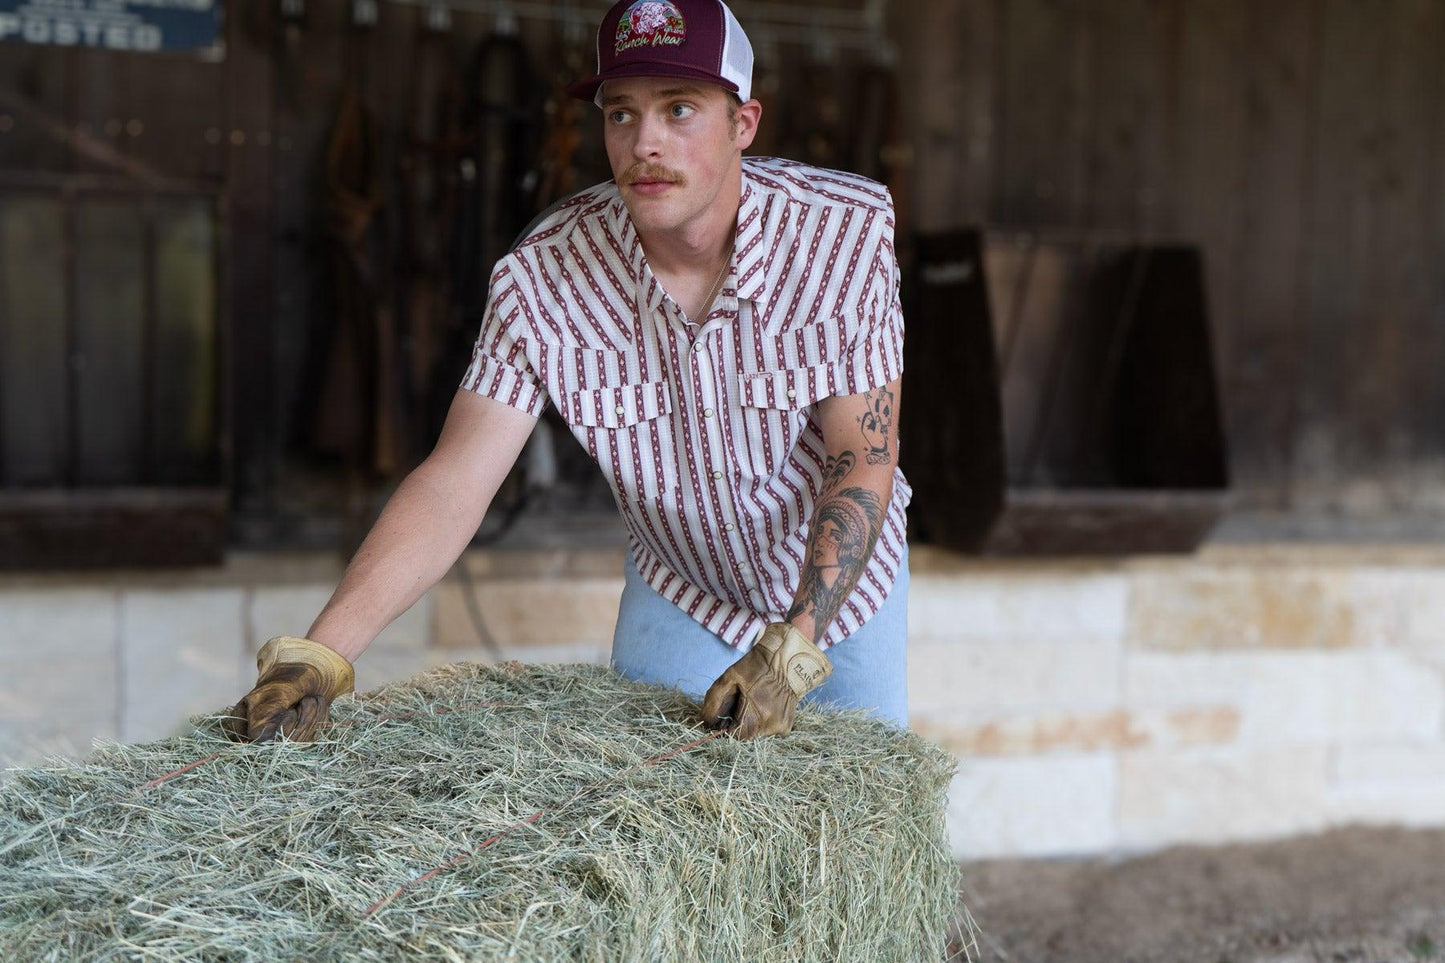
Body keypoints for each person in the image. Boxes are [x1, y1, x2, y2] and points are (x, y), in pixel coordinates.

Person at [224, 0, 910, 745]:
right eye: (620, 114)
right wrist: (321, 653)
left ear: (743, 124)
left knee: (851, 816)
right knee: (656, 828)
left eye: (678, 110)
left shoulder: (841, 235)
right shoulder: (543, 278)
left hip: (839, 592)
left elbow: (861, 458)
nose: (643, 143)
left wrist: (794, 646)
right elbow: (455, 482)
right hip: (684, 590)